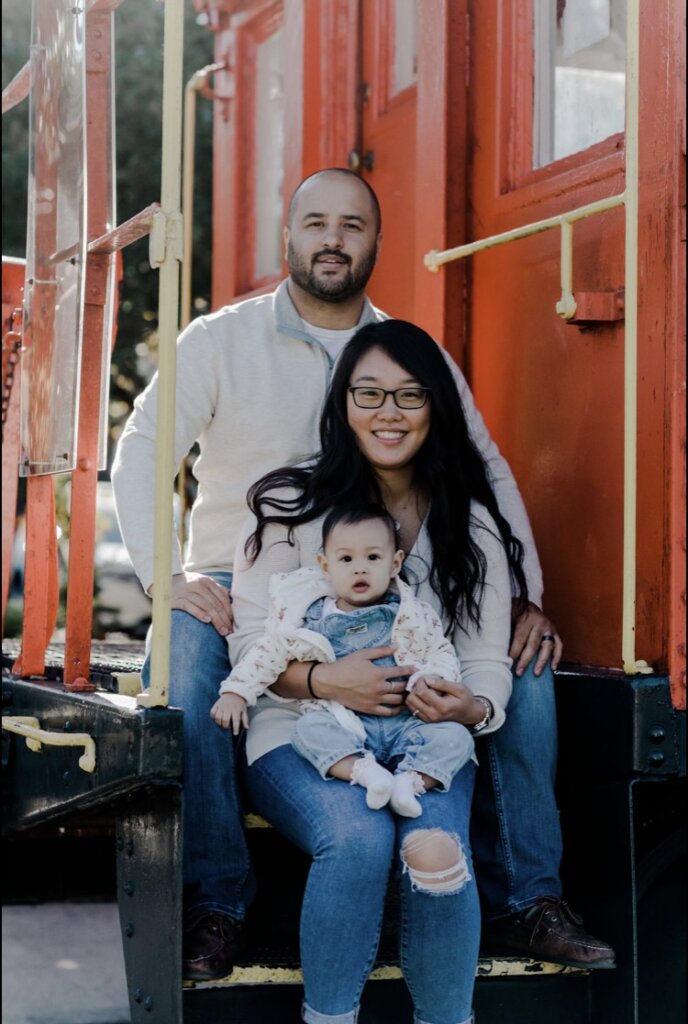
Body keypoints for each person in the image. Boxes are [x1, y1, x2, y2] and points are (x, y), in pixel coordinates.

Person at [111, 167, 613, 980]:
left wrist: (526, 597)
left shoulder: (407, 353)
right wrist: (164, 576)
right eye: (316, 223)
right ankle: (217, 901)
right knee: (188, 655)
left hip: (394, 579)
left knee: (526, 664)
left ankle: (529, 898)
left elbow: (484, 468)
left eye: (353, 225)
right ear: (289, 235)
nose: (333, 240)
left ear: (377, 241)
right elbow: (141, 449)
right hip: (241, 582)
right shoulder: (219, 340)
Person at [228, 318, 541, 1023]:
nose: (388, 412)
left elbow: (485, 659)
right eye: (368, 393)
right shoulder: (288, 506)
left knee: (434, 845)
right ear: (343, 403)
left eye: (410, 394)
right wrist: (323, 680)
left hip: (422, 736)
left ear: (436, 405)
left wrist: (471, 707)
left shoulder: (471, 524)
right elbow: (248, 643)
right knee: (358, 839)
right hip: (302, 730)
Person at [211, 503, 476, 818]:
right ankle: (364, 772)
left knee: (457, 738)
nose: (359, 569)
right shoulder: (309, 619)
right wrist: (236, 691)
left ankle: (410, 782)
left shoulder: (414, 615)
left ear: (395, 564)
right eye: (346, 559)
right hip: (344, 725)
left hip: (406, 723)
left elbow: (440, 651)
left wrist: (431, 680)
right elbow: (267, 653)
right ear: (325, 566)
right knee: (307, 731)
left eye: (373, 558)